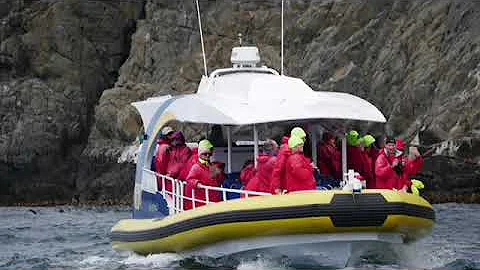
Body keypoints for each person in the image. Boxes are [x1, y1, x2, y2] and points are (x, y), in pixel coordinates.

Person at [184, 140, 222, 209]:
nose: (208, 156)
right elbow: (189, 179)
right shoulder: (196, 167)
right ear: (200, 154)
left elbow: (218, 181)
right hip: (202, 202)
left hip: (213, 200)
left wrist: (219, 174)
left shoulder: (211, 166)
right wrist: (198, 184)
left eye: (209, 154)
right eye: (205, 154)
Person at [270, 127, 307, 194]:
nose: (304, 140)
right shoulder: (286, 149)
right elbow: (278, 169)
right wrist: (277, 188)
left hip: (289, 185)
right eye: (302, 138)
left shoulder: (293, 148)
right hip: (285, 187)